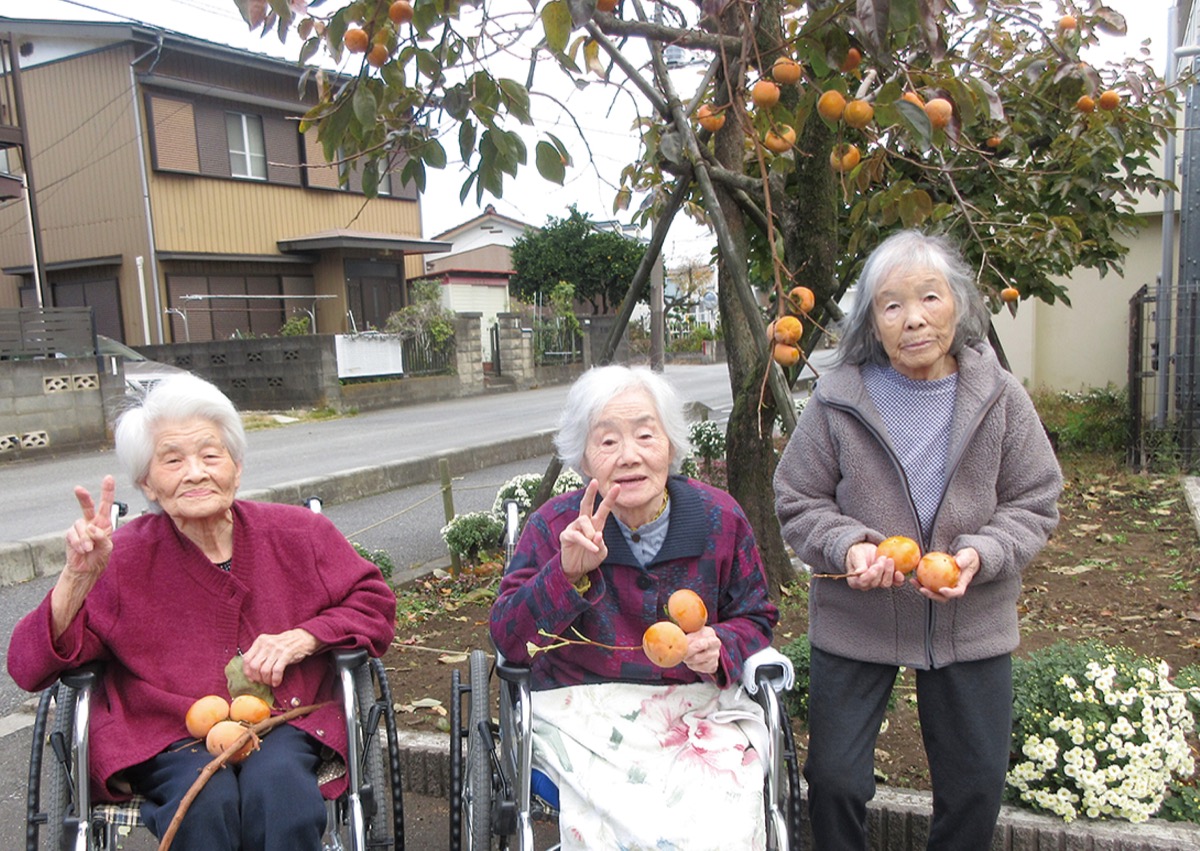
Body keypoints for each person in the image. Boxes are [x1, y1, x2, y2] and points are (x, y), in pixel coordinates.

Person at [8, 373, 396, 851]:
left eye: (211, 455)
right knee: (203, 803)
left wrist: (305, 637)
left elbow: (374, 603)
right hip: (167, 734)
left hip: (282, 721)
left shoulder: (299, 534)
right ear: (147, 483)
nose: (195, 472)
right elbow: (29, 667)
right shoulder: (119, 558)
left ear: (236, 465)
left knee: (280, 793)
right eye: (173, 460)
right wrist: (75, 579)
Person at [774, 229, 1062, 850]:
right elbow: (797, 498)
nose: (913, 320)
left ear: (958, 303)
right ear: (871, 321)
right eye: (891, 304)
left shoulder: (1001, 398)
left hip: (971, 618)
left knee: (976, 788)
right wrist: (847, 544)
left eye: (929, 297)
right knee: (835, 781)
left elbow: (1035, 499)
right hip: (858, 613)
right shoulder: (838, 399)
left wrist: (980, 555)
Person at [490, 364, 779, 850]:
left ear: (670, 445)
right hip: (582, 711)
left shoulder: (720, 518)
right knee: (626, 826)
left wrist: (722, 644)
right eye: (607, 442)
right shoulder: (553, 526)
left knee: (721, 823)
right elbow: (508, 641)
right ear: (583, 459)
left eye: (646, 435)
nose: (629, 456)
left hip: (691, 709)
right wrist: (566, 573)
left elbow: (756, 615)